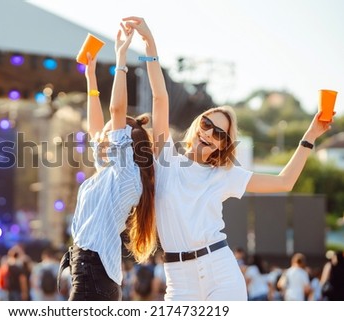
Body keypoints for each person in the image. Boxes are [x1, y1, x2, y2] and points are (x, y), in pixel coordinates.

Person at [123, 16, 333, 301]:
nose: (210, 132)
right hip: (178, 278)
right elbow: (161, 98)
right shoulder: (166, 159)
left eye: (220, 133)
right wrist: (150, 43)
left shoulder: (224, 175)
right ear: (198, 124)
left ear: (221, 147)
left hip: (219, 272)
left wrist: (310, 134)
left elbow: (284, 182)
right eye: (207, 124)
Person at [59, 23, 156, 301]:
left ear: (124, 142)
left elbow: (116, 109)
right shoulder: (111, 172)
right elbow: (95, 128)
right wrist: (91, 77)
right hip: (89, 269)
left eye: (112, 132)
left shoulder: (126, 172)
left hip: (94, 271)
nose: (103, 134)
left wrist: (121, 58)